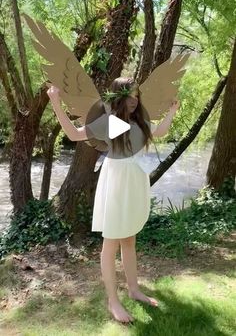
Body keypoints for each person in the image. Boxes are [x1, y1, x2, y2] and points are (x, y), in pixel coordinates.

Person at [47, 77, 180, 324]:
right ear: (120, 96)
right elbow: (73, 134)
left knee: (129, 238)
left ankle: (133, 289)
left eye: (137, 95)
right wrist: (55, 101)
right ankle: (113, 300)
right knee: (111, 242)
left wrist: (172, 111)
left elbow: (161, 131)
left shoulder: (139, 120)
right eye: (131, 95)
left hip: (135, 181)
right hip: (117, 182)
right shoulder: (110, 122)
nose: (135, 99)